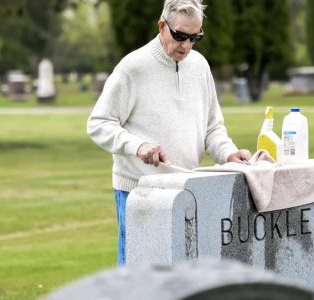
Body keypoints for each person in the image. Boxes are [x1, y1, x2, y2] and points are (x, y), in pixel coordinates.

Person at [87, 0, 251, 266]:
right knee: (138, 279)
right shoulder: (133, 67)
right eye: (179, 36)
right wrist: (137, 146)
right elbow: (99, 123)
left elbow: (212, 128)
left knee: (181, 281)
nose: (185, 45)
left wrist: (229, 154)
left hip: (188, 189)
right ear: (162, 26)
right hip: (140, 191)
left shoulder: (199, 66)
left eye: (194, 38)